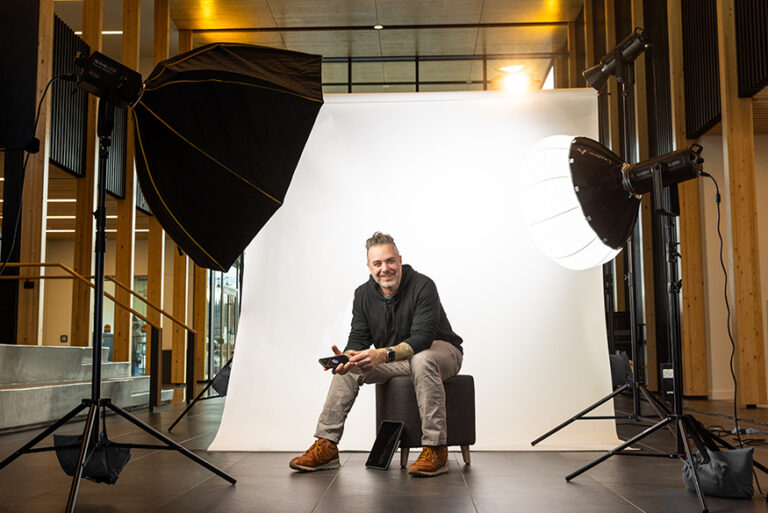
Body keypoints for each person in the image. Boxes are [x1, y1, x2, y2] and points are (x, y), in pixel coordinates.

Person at [289, 231, 463, 477]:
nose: (385, 268)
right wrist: (348, 356)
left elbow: (422, 338)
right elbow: (359, 338)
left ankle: (435, 448)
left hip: (439, 352)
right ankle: (327, 445)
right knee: (349, 368)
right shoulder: (363, 294)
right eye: (378, 263)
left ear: (400, 260)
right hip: (399, 360)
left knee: (423, 359)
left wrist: (382, 354)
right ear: (369, 266)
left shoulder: (423, 285)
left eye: (390, 261)